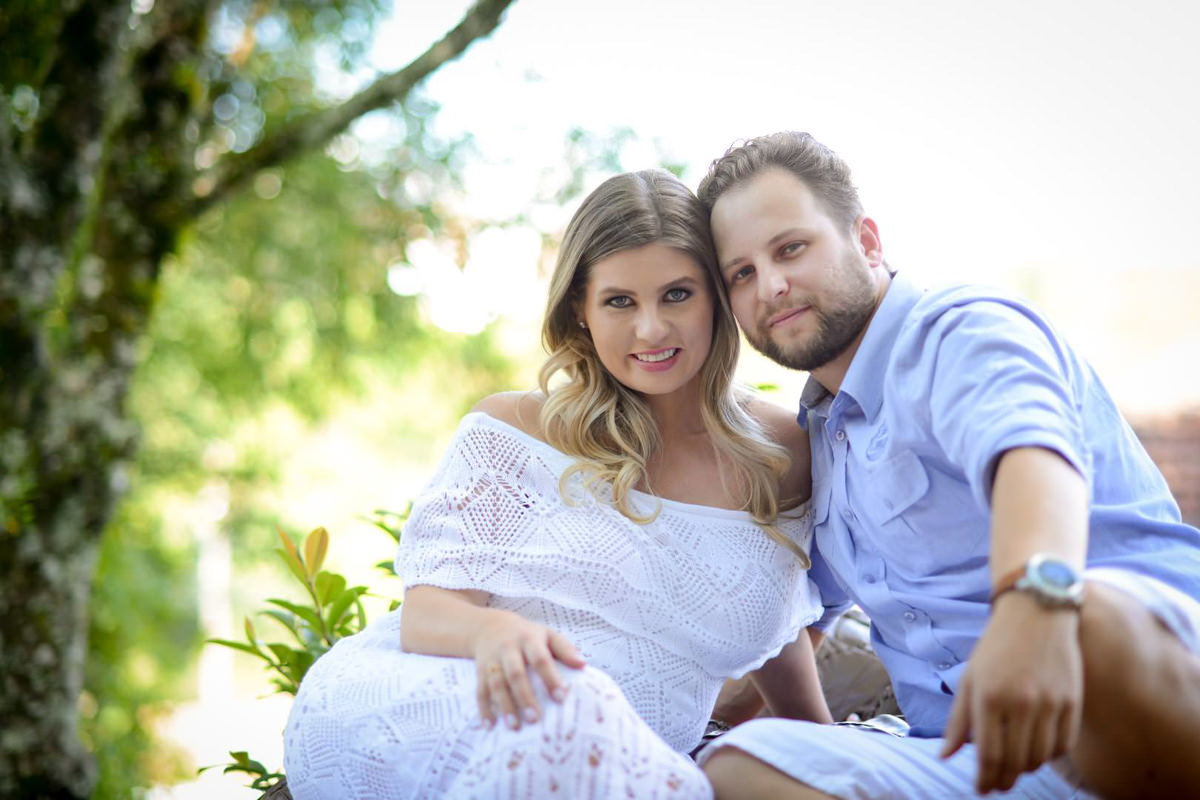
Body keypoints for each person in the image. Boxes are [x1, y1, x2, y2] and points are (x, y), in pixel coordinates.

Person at [281, 169, 833, 800]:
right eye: (620, 301)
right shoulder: (512, 429)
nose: (651, 329)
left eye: (677, 295)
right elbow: (427, 616)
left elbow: (773, 607)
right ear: (581, 310)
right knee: (573, 700)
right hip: (440, 703)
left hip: (608, 758)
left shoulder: (784, 451)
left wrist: (827, 743)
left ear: (717, 297)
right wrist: (493, 632)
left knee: (581, 717)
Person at [692, 131, 1200, 800]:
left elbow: (1033, 457)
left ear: (867, 241)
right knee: (738, 765)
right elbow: (793, 624)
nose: (773, 286)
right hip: (976, 760)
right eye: (742, 274)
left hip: (1128, 690)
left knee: (1087, 622)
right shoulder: (816, 440)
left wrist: (1034, 605)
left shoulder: (958, 332)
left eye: (790, 248)